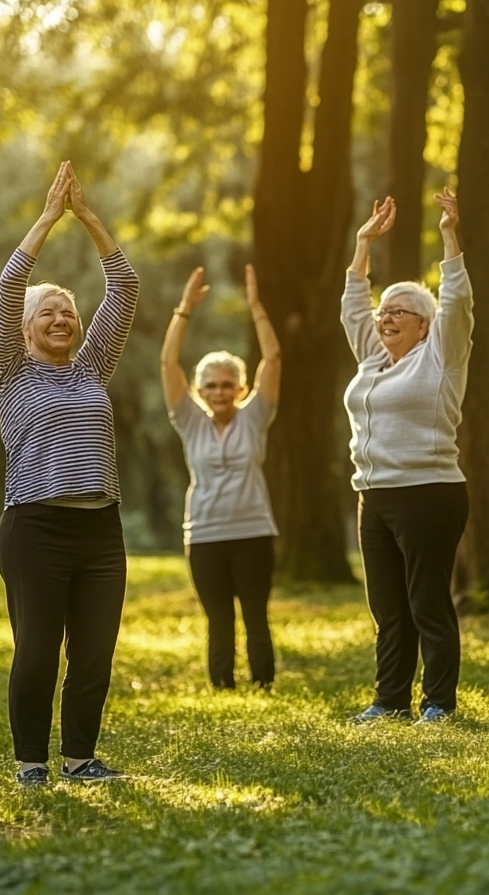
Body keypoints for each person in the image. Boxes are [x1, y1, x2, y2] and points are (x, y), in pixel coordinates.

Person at [0, 161, 140, 786]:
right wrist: (49, 218)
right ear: (25, 329)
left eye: (67, 313)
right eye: (46, 313)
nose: (59, 319)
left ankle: (80, 759)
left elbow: (124, 288)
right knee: (38, 654)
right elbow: (8, 288)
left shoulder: (92, 367)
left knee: (94, 655)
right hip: (35, 531)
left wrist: (89, 218)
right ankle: (31, 763)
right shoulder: (7, 373)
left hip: (101, 530)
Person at [341, 190, 473, 725]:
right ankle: (389, 700)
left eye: (401, 310)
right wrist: (363, 243)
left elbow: (457, 302)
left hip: (429, 493)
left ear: (425, 324)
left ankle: (439, 702)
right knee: (388, 609)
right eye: (385, 310)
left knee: (426, 603)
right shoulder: (372, 361)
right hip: (374, 497)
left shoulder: (442, 356)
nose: (386, 317)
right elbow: (354, 305)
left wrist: (449, 236)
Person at [160, 264, 281, 692]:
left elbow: (273, 358)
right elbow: (168, 362)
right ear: (200, 391)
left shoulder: (255, 417)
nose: (219, 391)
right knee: (218, 618)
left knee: (255, 615)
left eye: (227, 384)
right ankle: (222, 686)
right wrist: (185, 309)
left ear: (241, 389)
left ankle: (263, 683)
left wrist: (256, 307)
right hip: (206, 533)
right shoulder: (189, 420)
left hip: (253, 531)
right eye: (210, 385)